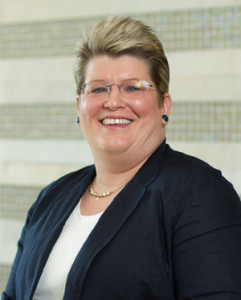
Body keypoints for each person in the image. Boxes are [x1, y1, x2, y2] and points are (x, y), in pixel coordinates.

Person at [2, 16, 241, 300]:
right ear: (79, 107)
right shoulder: (51, 198)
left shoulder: (200, 194)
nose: (113, 102)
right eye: (99, 88)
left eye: (133, 87)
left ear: (164, 104)